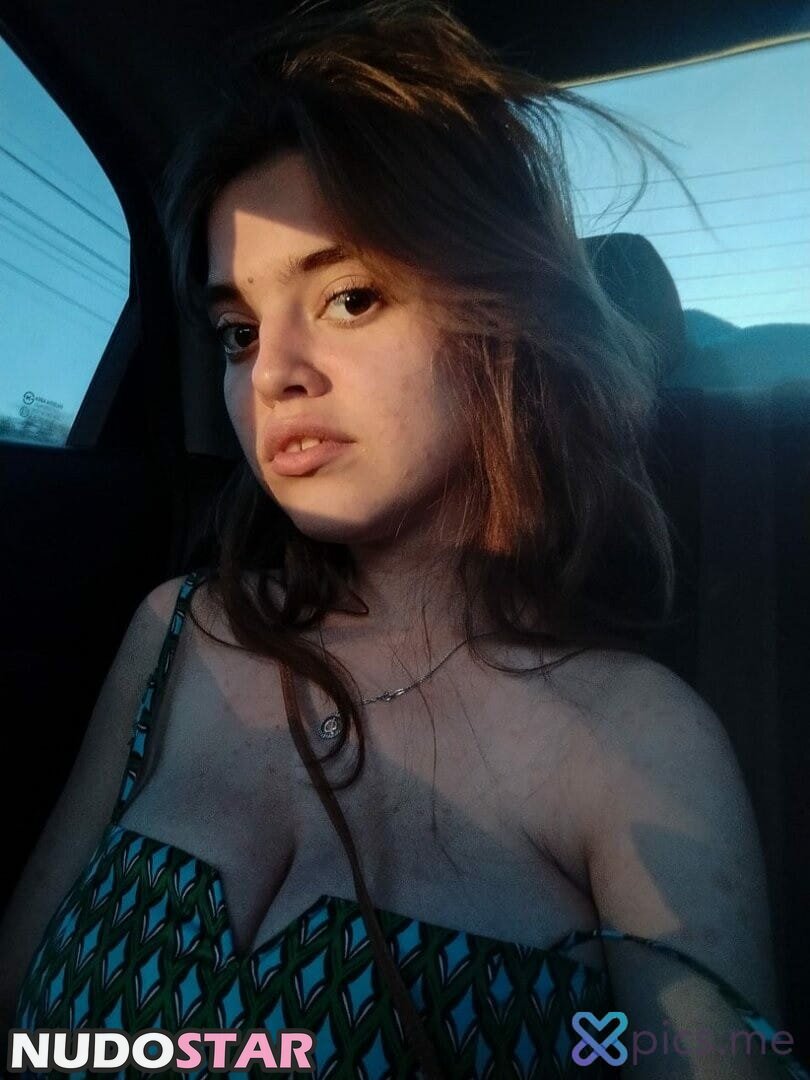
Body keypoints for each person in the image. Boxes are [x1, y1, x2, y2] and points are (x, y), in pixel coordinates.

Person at [1, 2, 807, 1077]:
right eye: (238, 331)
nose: (271, 374)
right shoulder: (174, 630)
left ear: (499, 324)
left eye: (350, 296)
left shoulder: (640, 742)